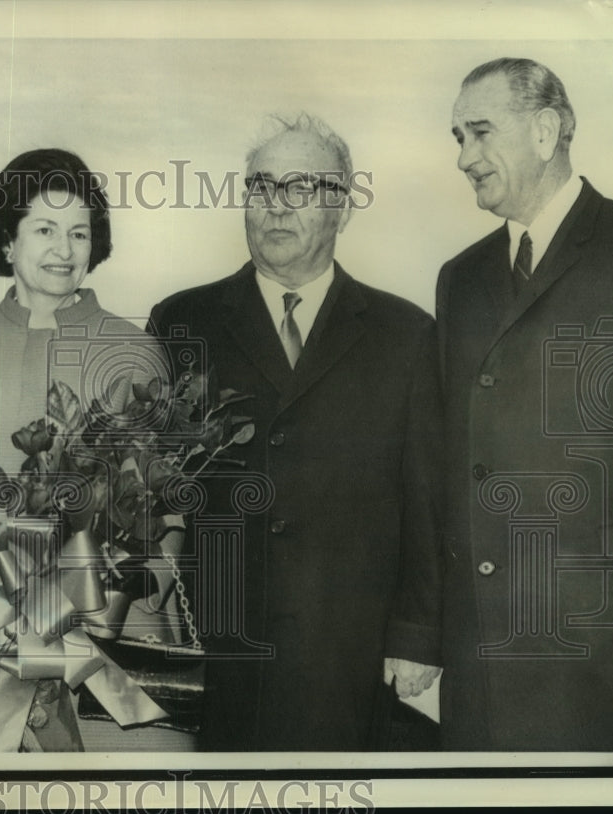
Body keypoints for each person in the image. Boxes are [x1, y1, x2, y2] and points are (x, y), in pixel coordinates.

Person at [148, 113, 443, 751]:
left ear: (344, 207)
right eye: (261, 187)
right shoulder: (180, 321)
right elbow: (154, 488)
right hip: (218, 649)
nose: (276, 207)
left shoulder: (407, 335)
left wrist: (416, 636)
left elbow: (425, 499)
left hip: (349, 654)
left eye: (302, 189)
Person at [0, 148, 191, 751]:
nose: (64, 248)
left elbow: (167, 502)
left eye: (79, 232)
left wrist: (116, 593)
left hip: (115, 642)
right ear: (7, 242)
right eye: (44, 229)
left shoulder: (134, 349)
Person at [438, 58, 613, 750]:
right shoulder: (459, 278)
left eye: (480, 133)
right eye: (457, 137)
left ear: (545, 131)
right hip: (479, 663)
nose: (464, 157)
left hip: (598, 669)